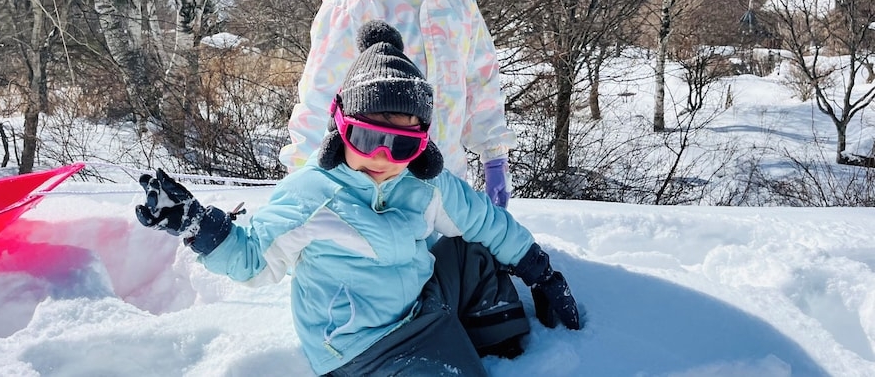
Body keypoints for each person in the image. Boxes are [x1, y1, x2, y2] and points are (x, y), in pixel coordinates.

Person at [136, 21, 581, 376]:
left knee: (471, 252)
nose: (385, 158)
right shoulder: (313, 195)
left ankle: (500, 347)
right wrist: (200, 227)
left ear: (423, 145)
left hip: (419, 301)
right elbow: (253, 258)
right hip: (362, 345)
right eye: (369, 138)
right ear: (340, 127)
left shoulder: (426, 184)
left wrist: (540, 272)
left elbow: (486, 221)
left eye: (403, 145)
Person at [279, 0, 517, 207]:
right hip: (374, 193)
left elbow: (481, 79)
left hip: (447, 186)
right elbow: (319, 98)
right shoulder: (354, 2)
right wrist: (301, 185)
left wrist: (494, 154)